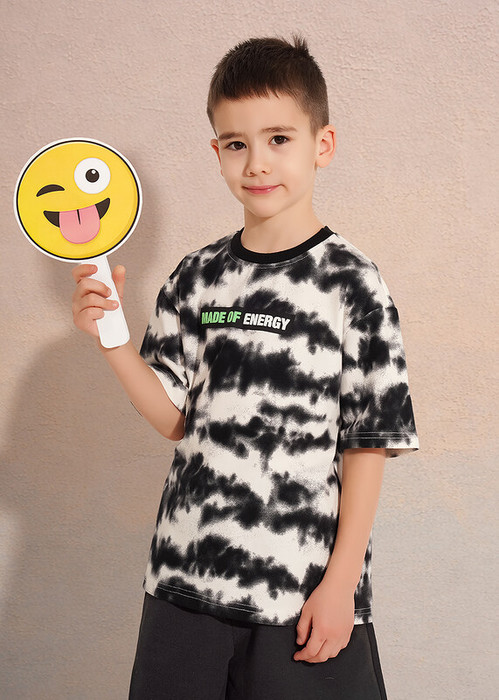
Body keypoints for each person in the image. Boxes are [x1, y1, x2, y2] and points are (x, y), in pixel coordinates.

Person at [72, 36, 419, 700]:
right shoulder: (195, 276)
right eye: (236, 144)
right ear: (217, 153)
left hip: (299, 592)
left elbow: (367, 443)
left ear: (322, 145)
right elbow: (174, 418)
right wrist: (112, 341)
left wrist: (341, 583)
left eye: (278, 139)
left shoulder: (352, 282)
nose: (256, 162)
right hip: (183, 582)